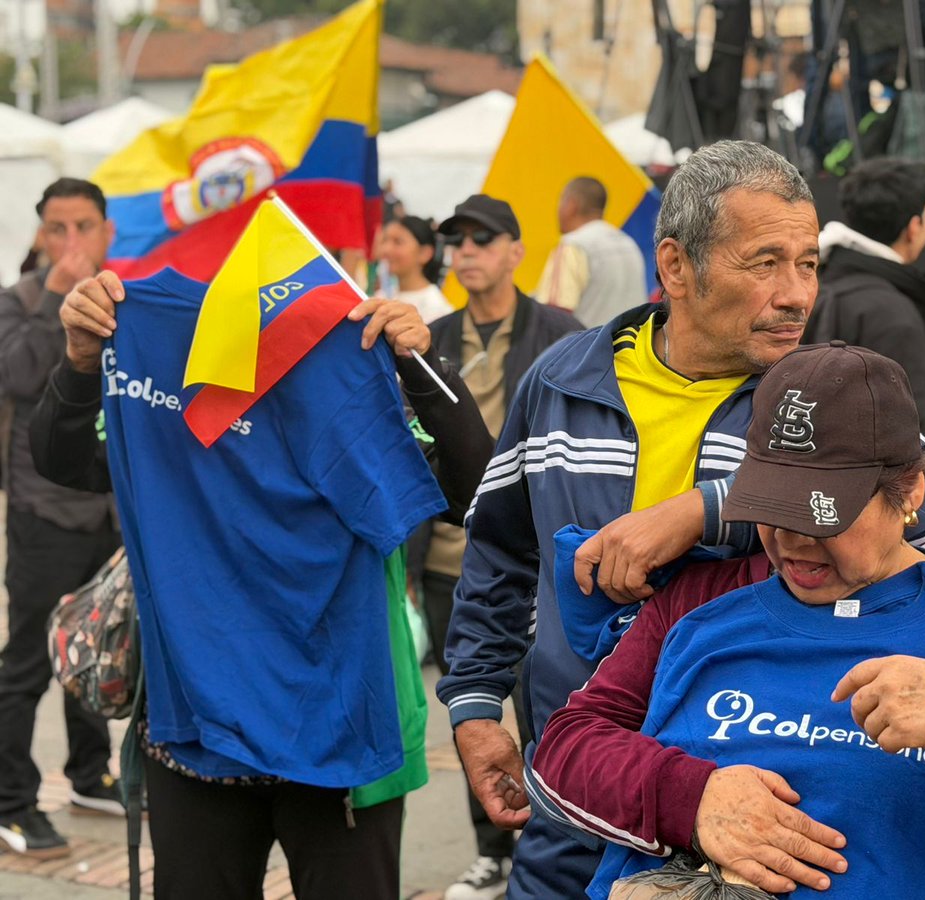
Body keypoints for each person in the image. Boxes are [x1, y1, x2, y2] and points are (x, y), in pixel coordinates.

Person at [532, 344, 925, 898]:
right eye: (774, 507)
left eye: (822, 515)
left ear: (911, 491)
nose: (793, 541)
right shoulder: (698, 599)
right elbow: (565, 748)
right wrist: (689, 799)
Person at [438, 140, 828, 898]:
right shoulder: (561, 381)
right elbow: (500, 554)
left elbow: (908, 510)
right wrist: (477, 705)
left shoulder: (821, 393)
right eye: (765, 262)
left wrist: (706, 511)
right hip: (573, 796)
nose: (794, 294)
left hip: (750, 817)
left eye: (807, 263)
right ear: (676, 265)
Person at [29, 273, 494, 900]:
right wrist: (80, 362)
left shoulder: (344, 377)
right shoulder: (167, 384)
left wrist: (422, 366)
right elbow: (60, 458)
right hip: (195, 735)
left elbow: (478, 494)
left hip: (343, 735)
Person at [415, 192, 581, 900]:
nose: (467, 252)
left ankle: (551, 839)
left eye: (482, 239)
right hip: (448, 558)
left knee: (548, 707)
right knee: (474, 708)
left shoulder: (562, 335)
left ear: (517, 251)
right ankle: (491, 848)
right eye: (457, 241)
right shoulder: (430, 338)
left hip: (537, 560)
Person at [0, 178, 124, 859]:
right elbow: (19, 376)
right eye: (57, 228)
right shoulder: (18, 302)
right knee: (28, 663)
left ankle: (90, 774)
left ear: (108, 232)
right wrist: (56, 299)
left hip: (109, 508)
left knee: (97, 649)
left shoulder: (124, 298)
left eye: (84, 227)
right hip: (41, 510)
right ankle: (11, 803)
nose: (71, 241)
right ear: (40, 234)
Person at [806, 157, 925, 483]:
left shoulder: (817, 283)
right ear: (914, 227)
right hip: (862, 497)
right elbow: (910, 444)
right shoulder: (893, 314)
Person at [534, 176, 647, 328]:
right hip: (632, 341)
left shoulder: (573, 245)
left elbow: (554, 315)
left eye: (561, 200)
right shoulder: (628, 243)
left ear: (571, 205)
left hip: (590, 342)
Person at [375, 212, 453, 323]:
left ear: (424, 253)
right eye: (384, 240)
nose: (386, 249)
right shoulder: (382, 296)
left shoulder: (437, 309)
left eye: (398, 242)